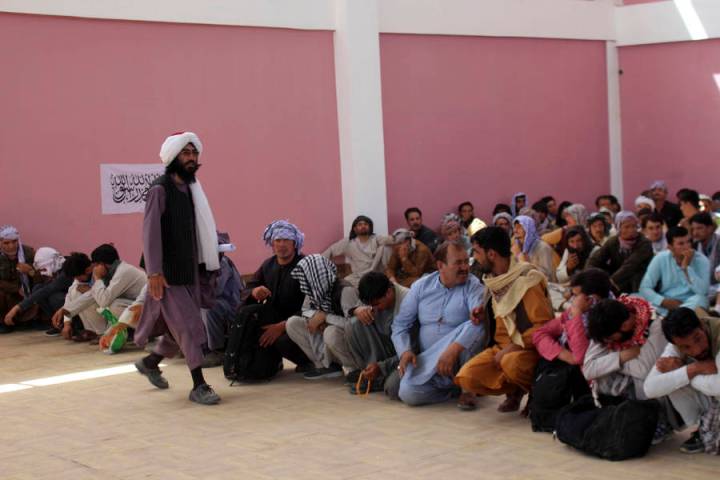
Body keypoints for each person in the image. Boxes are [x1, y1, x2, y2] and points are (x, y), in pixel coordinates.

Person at [133, 131, 222, 405]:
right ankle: (199, 385)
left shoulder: (191, 189)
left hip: (190, 271)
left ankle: (151, 361)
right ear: (173, 157)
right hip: (168, 275)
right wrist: (154, 272)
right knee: (190, 326)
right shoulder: (160, 189)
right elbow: (150, 234)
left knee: (177, 327)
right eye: (186, 153)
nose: (192, 158)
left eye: (194, 154)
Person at [455, 227, 554, 412]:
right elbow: (504, 313)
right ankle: (515, 389)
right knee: (467, 377)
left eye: (476, 252)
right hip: (500, 348)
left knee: (511, 363)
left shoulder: (527, 281)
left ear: (491, 254)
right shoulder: (495, 279)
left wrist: (512, 348)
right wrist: (483, 314)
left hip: (528, 350)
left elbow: (543, 328)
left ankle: (535, 392)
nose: (473, 257)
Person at [391, 241, 485, 407]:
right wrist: (404, 351)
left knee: (474, 324)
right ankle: (453, 390)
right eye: (458, 263)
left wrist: (451, 351)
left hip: (459, 357)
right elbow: (400, 325)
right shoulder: (421, 286)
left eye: (466, 261)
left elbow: (477, 319)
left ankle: (467, 388)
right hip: (429, 359)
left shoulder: (473, 285)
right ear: (441, 265)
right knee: (407, 393)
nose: (465, 267)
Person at [583, 297, 675, 443]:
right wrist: (623, 356)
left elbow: (644, 371)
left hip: (654, 390)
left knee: (645, 380)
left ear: (626, 325)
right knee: (601, 376)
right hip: (628, 383)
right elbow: (588, 369)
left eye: (609, 339)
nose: (607, 343)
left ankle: (658, 423)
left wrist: (611, 361)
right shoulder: (605, 324)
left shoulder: (654, 325)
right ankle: (620, 417)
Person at [235, 220, 312, 375]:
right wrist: (255, 291)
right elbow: (248, 288)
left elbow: (313, 307)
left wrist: (281, 326)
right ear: (272, 243)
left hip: (302, 323)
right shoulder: (268, 265)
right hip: (275, 319)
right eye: (278, 240)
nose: (281, 244)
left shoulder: (305, 265)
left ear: (294, 243)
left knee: (281, 341)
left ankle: (310, 362)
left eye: (286, 240)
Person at [644, 308, 720, 454]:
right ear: (675, 343)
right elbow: (650, 388)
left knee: (677, 375)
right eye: (686, 347)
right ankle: (701, 428)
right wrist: (693, 369)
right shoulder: (675, 345)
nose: (697, 350)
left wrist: (686, 370)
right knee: (672, 379)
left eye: (698, 338)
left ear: (702, 326)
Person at [285, 254, 361, 379]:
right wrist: (316, 318)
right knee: (292, 323)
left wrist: (326, 318)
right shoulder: (313, 290)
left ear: (315, 275)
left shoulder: (345, 290)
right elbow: (305, 310)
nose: (303, 281)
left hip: (346, 341)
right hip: (324, 333)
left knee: (330, 332)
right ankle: (326, 366)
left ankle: (354, 369)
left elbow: (354, 325)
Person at [347, 271, 410, 395]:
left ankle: (379, 376)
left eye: (376, 304)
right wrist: (357, 310)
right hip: (385, 349)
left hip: (405, 355)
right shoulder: (375, 294)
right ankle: (371, 374)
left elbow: (413, 349)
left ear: (388, 292)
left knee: (392, 388)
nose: (373, 309)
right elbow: (355, 309)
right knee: (355, 323)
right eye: (370, 305)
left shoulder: (408, 302)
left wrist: (382, 367)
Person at [639, 226, 710, 317]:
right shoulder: (661, 258)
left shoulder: (702, 260)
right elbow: (644, 287)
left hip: (691, 302)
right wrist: (663, 301)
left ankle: (674, 317)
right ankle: (675, 317)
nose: (687, 246)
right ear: (670, 247)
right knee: (635, 298)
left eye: (688, 242)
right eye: (681, 244)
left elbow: (703, 291)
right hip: (666, 303)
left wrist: (686, 268)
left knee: (702, 299)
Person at [3, 247, 71, 336]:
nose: (42, 272)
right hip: (67, 299)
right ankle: (58, 323)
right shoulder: (56, 266)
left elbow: (47, 290)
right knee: (37, 288)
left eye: (43, 269)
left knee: (55, 297)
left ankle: (72, 324)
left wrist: (17, 308)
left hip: (74, 302)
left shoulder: (67, 271)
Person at [201, 233, 243, 367]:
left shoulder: (223, 265)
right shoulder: (204, 263)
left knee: (208, 307)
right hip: (216, 301)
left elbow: (215, 291)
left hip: (232, 306)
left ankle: (216, 350)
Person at [587, 211, 654, 294]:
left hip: (638, 282)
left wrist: (609, 282)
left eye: (634, 226)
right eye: (626, 227)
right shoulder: (613, 241)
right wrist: (587, 277)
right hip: (618, 281)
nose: (631, 230)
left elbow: (630, 265)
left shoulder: (644, 243)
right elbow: (595, 260)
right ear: (619, 227)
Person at [323, 215, 393, 287]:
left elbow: (391, 240)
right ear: (355, 229)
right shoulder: (348, 242)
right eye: (360, 224)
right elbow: (331, 250)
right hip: (359, 276)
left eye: (366, 224)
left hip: (376, 274)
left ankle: (388, 276)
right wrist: (318, 262)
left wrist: (399, 236)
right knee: (343, 286)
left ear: (370, 227)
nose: (363, 226)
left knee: (385, 247)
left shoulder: (376, 239)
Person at [0, 225, 40, 333]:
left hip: (28, 292)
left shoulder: (29, 253)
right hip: (9, 293)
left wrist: (30, 271)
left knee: (40, 290)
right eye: (6, 243)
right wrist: (16, 288)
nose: (11, 246)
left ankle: (30, 320)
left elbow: (45, 277)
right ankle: (3, 323)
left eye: (14, 241)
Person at [690, 212, 720, 311]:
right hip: (706, 288)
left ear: (710, 228)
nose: (695, 233)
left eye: (699, 228)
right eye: (693, 229)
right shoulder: (693, 246)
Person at [511, 215, 556, 282]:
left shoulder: (542, 247)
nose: (515, 230)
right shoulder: (515, 247)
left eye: (519, 227)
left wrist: (526, 263)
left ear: (528, 228)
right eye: (514, 227)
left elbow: (547, 275)